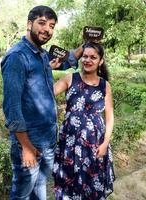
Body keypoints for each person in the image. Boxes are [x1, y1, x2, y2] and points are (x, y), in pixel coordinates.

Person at [1, 5, 83, 200]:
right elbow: (12, 108)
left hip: (47, 139)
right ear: (29, 24)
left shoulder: (42, 55)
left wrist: (86, 45)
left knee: (39, 189)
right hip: (30, 142)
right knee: (22, 194)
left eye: (52, 25)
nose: (47, 29)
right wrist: (27, 148)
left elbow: (67, 60)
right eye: (42, 23)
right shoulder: (17, 57)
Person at [52, 42, 115, 199]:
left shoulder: (104, 85)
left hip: (95, 142)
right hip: (70, 141)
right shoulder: (69, 79)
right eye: (85, 56)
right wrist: (48, 68)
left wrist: (105, 143)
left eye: (93, 57)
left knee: (92, 181)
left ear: (100, 61)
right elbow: (46, 93)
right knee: (68, 180)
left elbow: (109, 116)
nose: (87, 60)